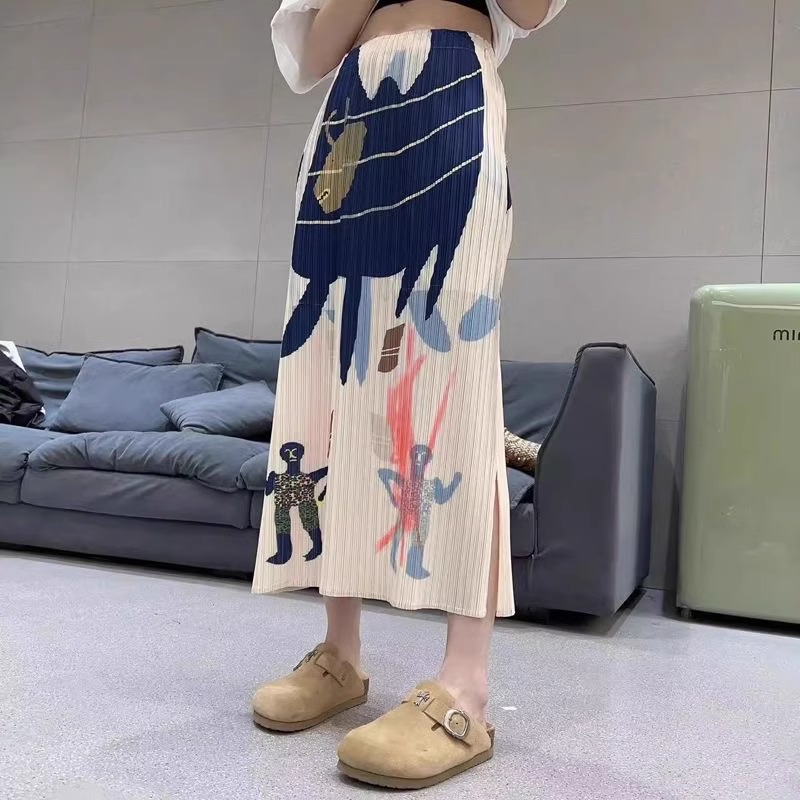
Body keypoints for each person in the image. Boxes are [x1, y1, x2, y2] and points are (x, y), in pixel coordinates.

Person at [252, 0, 567, 789]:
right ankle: (340, 652)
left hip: (454, 87)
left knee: (451, 370)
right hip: (348, 108)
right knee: (329, 367)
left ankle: (466, 683)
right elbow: (314, 54)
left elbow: (531, 10)